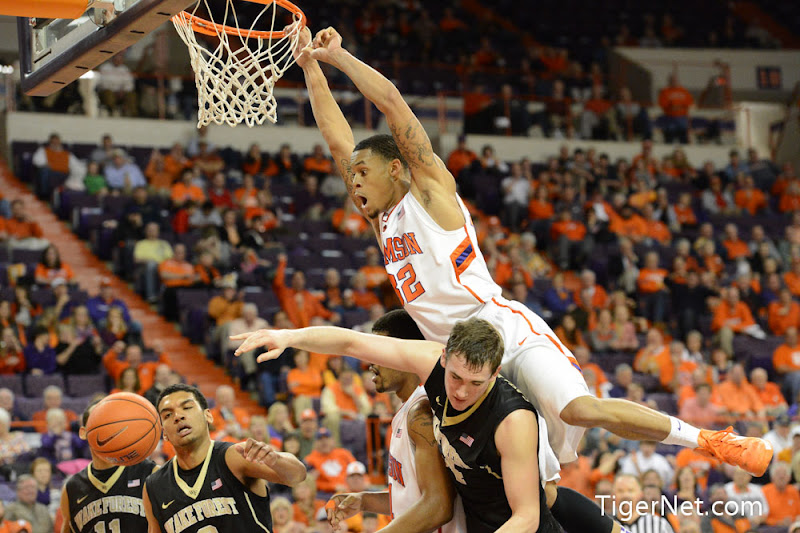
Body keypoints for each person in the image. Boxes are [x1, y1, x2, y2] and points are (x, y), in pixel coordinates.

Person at [293, 23, 772, 487]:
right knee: (504, 479)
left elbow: (393, 103)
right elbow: (338, 138)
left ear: (396, 169)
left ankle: (709, 440)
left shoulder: (431, 193)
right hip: (454, 359)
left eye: (362, 171)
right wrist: (309, 66)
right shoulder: (380, 221)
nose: (351, 180)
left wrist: (337, 57)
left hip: (503, 329)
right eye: (350, 174)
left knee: (581, 410)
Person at [232, 318, 567, 532]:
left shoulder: (513, 421)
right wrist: (290, 335)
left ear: (495, 374)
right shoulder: (430, 364)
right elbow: (352, 342)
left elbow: (527, 517)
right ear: (444, 358)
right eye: (455, 376)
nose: (462, 391)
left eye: (476, 383)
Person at [326, 309, 465, 532]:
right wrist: (364, 501)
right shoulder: (407, 409)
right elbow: (411, 498)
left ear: (405, 352)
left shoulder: (422, 411)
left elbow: (439, 506)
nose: (371, 361)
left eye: (380, 351)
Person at [143, 384, 307, 533]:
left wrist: (275, 459)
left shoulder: (233, 456)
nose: (178, 416)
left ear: (208, 416)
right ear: (164, 432)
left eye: (187, 407)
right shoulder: (154, 487)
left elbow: (297, 475)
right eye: (168, 415)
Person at [59, 399, 157, 533]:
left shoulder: (149, 472)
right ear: (83, 432)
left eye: (108, 417)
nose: (104, 423)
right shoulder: (72, 488)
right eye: (98, 418)